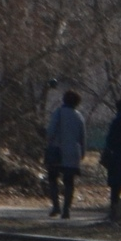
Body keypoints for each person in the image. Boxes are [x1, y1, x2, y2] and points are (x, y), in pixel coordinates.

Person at [45, 91, 86, 219]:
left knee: (53, 179)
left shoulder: (58, 113)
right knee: (69, 182)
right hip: (73, 152)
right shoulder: (79, 116)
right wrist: (82, 153)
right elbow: (82, 137)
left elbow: (51, 132)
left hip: (57, 150)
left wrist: (47, 139)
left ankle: (56, 206)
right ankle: (66, 209)